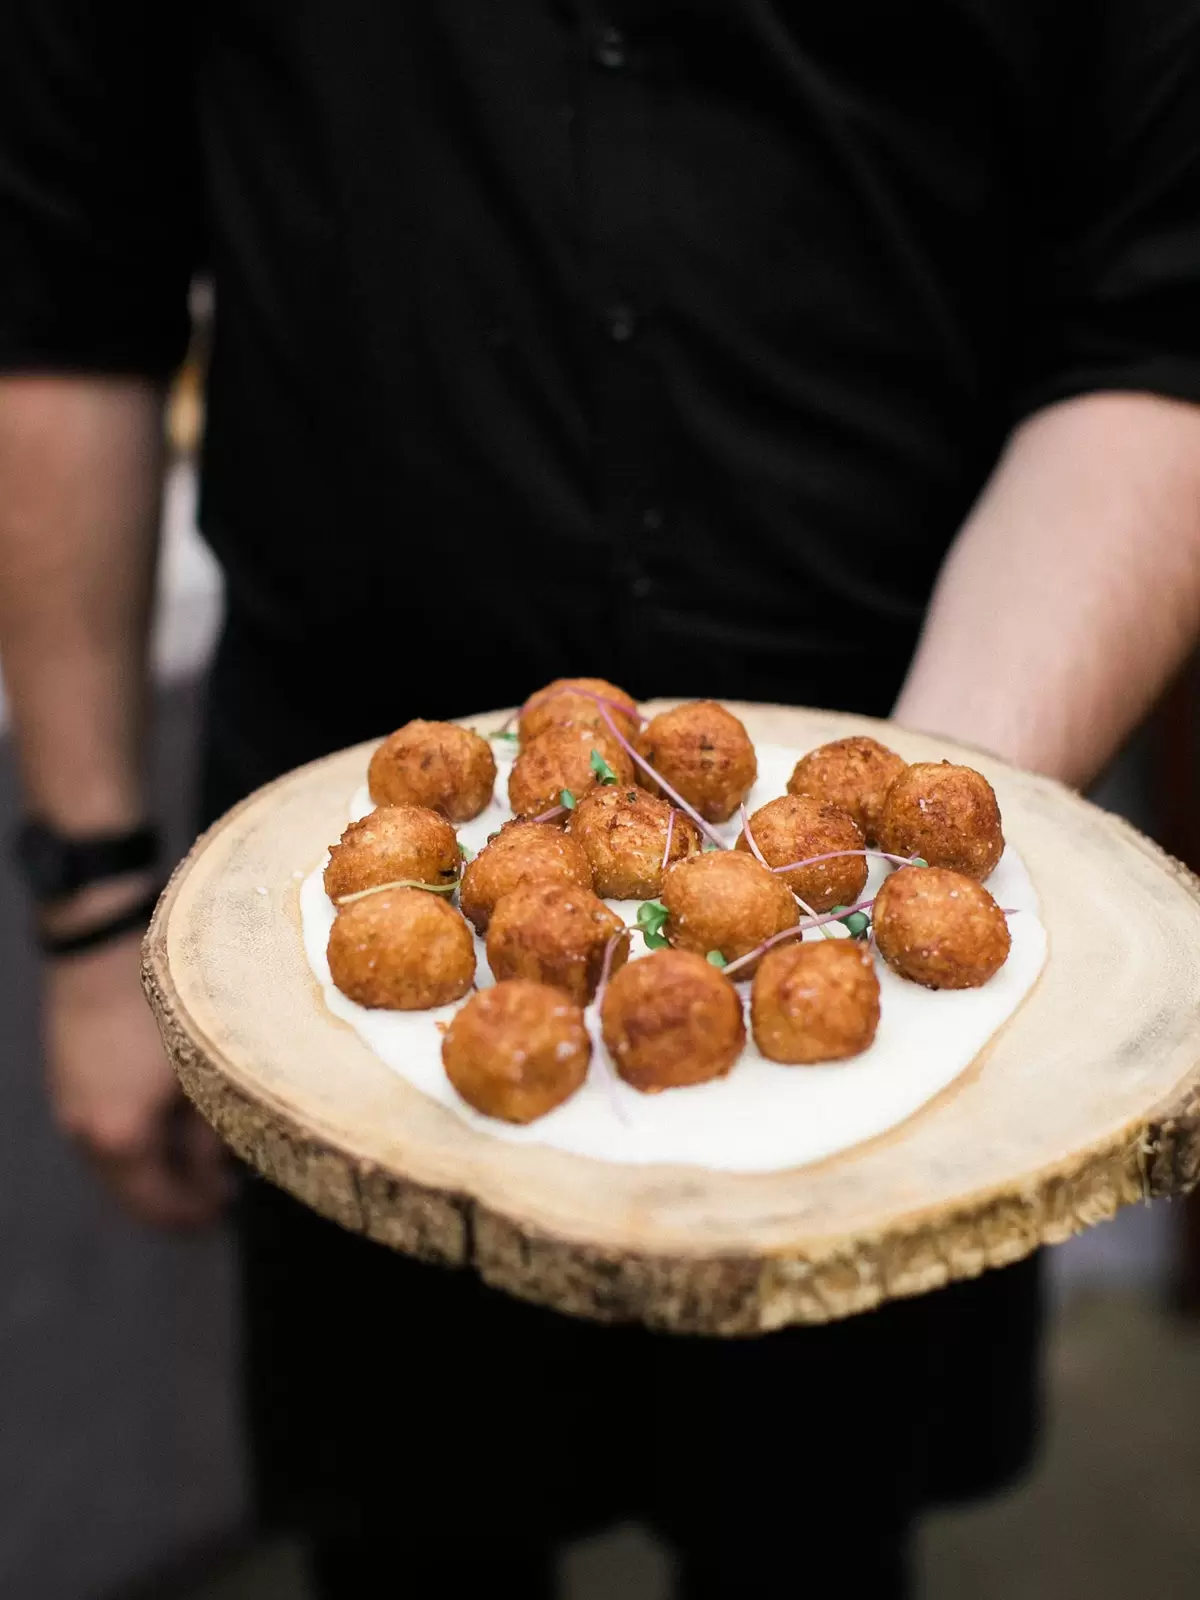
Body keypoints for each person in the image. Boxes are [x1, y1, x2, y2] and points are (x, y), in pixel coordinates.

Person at [2, 3, 1199, 1595]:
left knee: (813, 1540)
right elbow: (64, 293)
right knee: (412, 1536)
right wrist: (94, 905)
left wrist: (915, 836)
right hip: (337, 877)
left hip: (932, 748)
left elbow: (1156, 327)